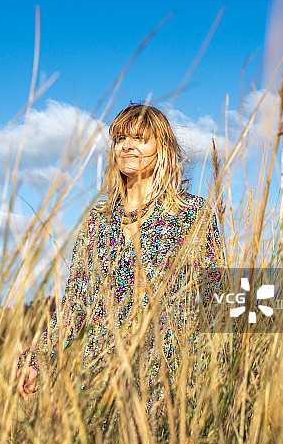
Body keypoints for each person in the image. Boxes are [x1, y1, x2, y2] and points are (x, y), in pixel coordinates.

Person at [16, 102, 221, 400]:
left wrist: (216, 371)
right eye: (120, 139)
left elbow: (215, 293)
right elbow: (76, 304)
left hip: (167, 379)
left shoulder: (192, 213)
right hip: (99, 379)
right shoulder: (98, 221)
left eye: (139, 139)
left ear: (162, 148)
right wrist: (37, 359)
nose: (127, 146)